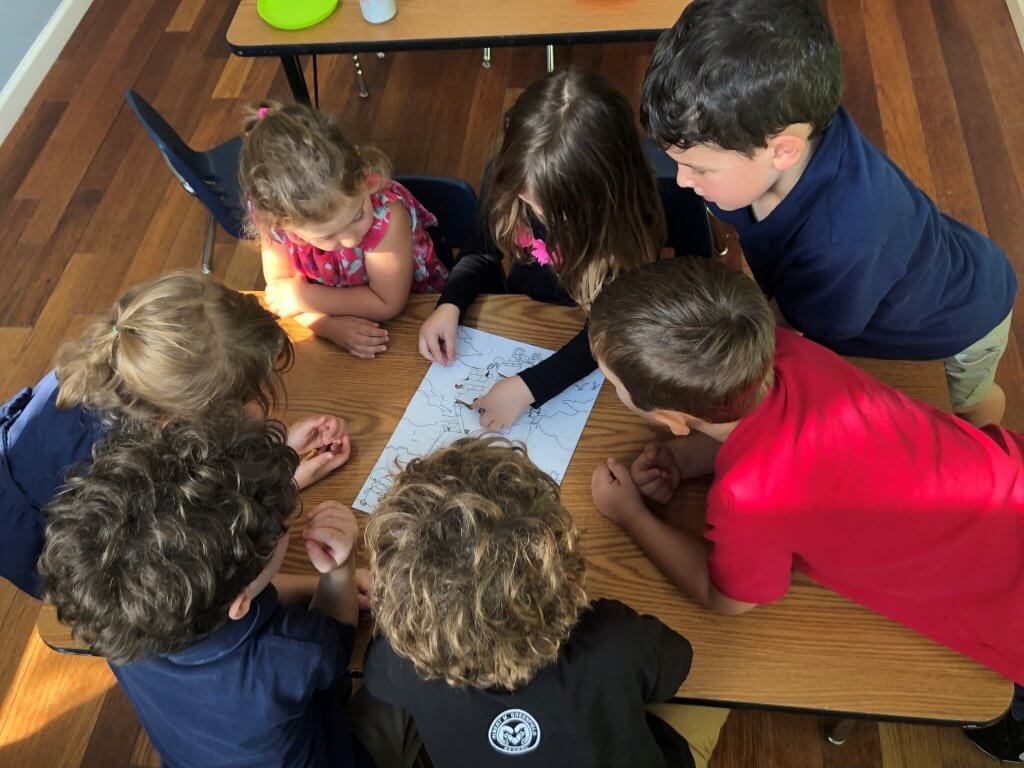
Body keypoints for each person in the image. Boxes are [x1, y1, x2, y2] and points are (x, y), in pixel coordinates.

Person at [588, 257, 1024, 761]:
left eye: (614, 385)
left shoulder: (749, 498)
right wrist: (684, 462)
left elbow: (728, 598)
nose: (613, 391)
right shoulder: (778, 347)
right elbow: (760, 420)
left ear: (671, 418)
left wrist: (633, 516)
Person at [640, 0, 1016, 427]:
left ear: (783, 150)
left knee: (969, 404)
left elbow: (806, 340)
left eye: (698, 167)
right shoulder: (781, 136)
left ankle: (994, 444)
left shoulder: (843, 246)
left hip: (962, 321)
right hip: (914, 269)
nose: (684, 180)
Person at [39, 415, 425, 768]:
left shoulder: (120, 612)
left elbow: (195, 548)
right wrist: (338, 571)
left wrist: (275, 470)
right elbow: (337, 642)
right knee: (414, 656)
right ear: (239, 601)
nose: (286, 515)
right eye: (279, 523)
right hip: (337, 754)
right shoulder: (289, 653)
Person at [361, 435, 727, 768]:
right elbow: (677, 665)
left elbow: (377, 679)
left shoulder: (399, 662)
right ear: (565, 570)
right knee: (721, 693)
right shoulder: (612, 640)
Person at [1, 271, 347, 597]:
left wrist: (280, 459)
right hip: (41, 532)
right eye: (245, 403)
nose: (255, 411)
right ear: (182, 423)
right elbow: (191, 585)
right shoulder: (132, 474)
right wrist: (323, 584)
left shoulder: (134, 349)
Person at [417, 69, 666, 429]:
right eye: (525, 199)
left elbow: (610, 328)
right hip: (521, 318)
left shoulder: (626, 225)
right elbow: (481, 250)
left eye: (557, 209)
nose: (540, 217)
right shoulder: (509, 177)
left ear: (605, 190)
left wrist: (528, 388)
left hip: (590, 343)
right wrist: (451, 302)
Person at [241, 101, 448, 358]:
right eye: (326, 236)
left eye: (358, 214)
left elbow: (387, 303)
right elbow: (279, 293)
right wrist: (325, 325)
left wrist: (304, 297)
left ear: (364, 176)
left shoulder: (388, 216)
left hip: (420, 314)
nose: (351, 241)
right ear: (281, 223)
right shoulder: (276, 222)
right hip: (347, 327)